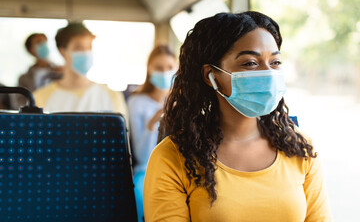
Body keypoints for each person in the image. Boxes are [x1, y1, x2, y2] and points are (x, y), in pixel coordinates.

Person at [144, 12, 332, 221]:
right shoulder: (172, 157)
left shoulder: (300, 148)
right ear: (211, 76)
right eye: (250, 63)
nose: (268, 73)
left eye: (275, 62)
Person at [33, 23, 128, 120]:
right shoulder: (40, 99)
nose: (86, 53)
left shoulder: (112, 97)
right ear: (62, 51)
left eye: (89, 47)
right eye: (79, 48)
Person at [127, 45, 177, 221]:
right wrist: (153, 122)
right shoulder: (136, 101)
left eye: (169, 68)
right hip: (146, 168)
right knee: (142, 194)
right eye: (158, 68)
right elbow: (141, 155)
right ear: (149, 69)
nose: (164, 73)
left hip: (179, 166)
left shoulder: (184, 101)